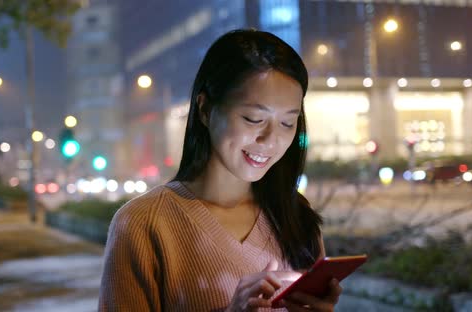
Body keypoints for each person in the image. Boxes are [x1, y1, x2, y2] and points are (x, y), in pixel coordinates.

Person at [98, 29, 341, 311]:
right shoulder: (143, 224)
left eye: (288, 123)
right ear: (205, 109)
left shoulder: (295, 214)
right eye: (253, 118)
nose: (270, 140)